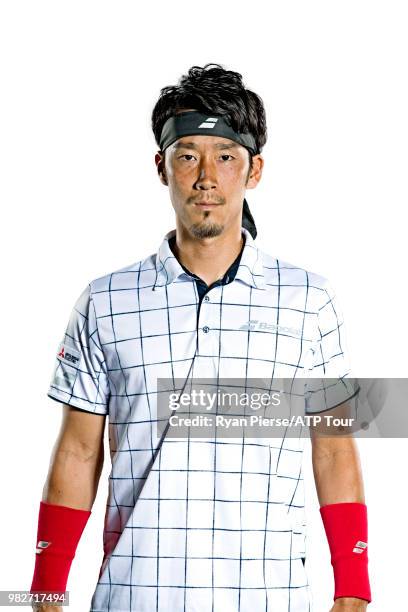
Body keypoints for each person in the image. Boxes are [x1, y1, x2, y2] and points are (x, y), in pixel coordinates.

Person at [30, 63, 371, 612]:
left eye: (226, 156)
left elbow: (333, 449)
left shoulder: (310, 300)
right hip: (135, 596)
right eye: (187, 155)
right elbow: (76, 451)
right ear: (161, 168)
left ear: (254, 169)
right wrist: (44, 591)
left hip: (270, 597)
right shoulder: (105, 299)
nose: (206, 176)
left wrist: (354, 590)